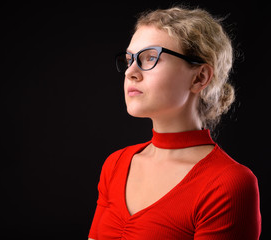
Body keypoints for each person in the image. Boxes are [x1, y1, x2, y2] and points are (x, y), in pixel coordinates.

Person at [88, 6, 261, 240]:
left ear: (200, 77)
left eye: (150, 57)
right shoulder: (115, 164)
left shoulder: (229, 183)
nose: (131, 72)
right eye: (129, 60)